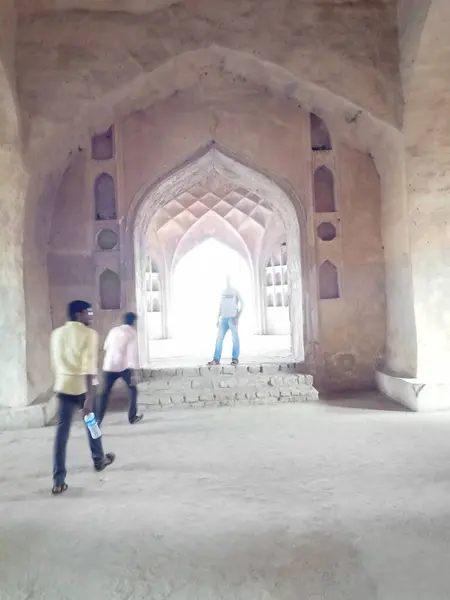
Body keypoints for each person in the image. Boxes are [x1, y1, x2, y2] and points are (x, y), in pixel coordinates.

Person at [51, 300, 116, 495]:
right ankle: (99, 460)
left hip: (62, 386)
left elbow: (55, 362)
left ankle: (58, 480)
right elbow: (89, 367)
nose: (91, 316)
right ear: (79, 314)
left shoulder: (57, 334)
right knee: (92, 424)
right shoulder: (89, 334)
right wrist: (88, 397)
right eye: (88, 312)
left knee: (61, 435)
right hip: (82, 388)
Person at [97, 312, 143, 426]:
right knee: (133, 390)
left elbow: (105, 346)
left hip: (109, 365)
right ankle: (132, 418)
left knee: (104, 393)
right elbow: (132, 354)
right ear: (133, 322)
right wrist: (133, 373)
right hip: (123, 367)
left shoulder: (113, 330)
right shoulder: (132, 333)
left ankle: (98, 420)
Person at [208, 276, 244, 366]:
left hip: (232, 318)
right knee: (219, 339)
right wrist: (217, 319)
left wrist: (237, 317)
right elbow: (221, 306)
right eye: (226, 279)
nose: (227, 281)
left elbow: (243, 304)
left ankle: (235, 359)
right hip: (223, 319)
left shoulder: (235, 291)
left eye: (229, 279)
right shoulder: (223, 292)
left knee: (235, 339)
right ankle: (216, 359)